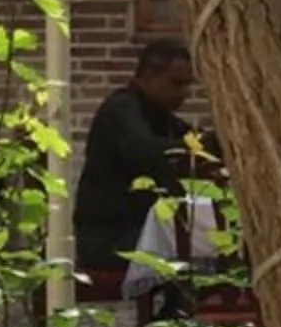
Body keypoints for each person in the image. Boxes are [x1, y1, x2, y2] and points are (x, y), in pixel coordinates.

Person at [73, 37, 198, 294]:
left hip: (143, 231)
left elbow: (193, 141)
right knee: (188, 251)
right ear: (150, 77)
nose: (184, 93)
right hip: (109, 239)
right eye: (176, 84)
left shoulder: (162, 117)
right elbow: (145, 149)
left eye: (188, 85)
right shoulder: (121, 110)